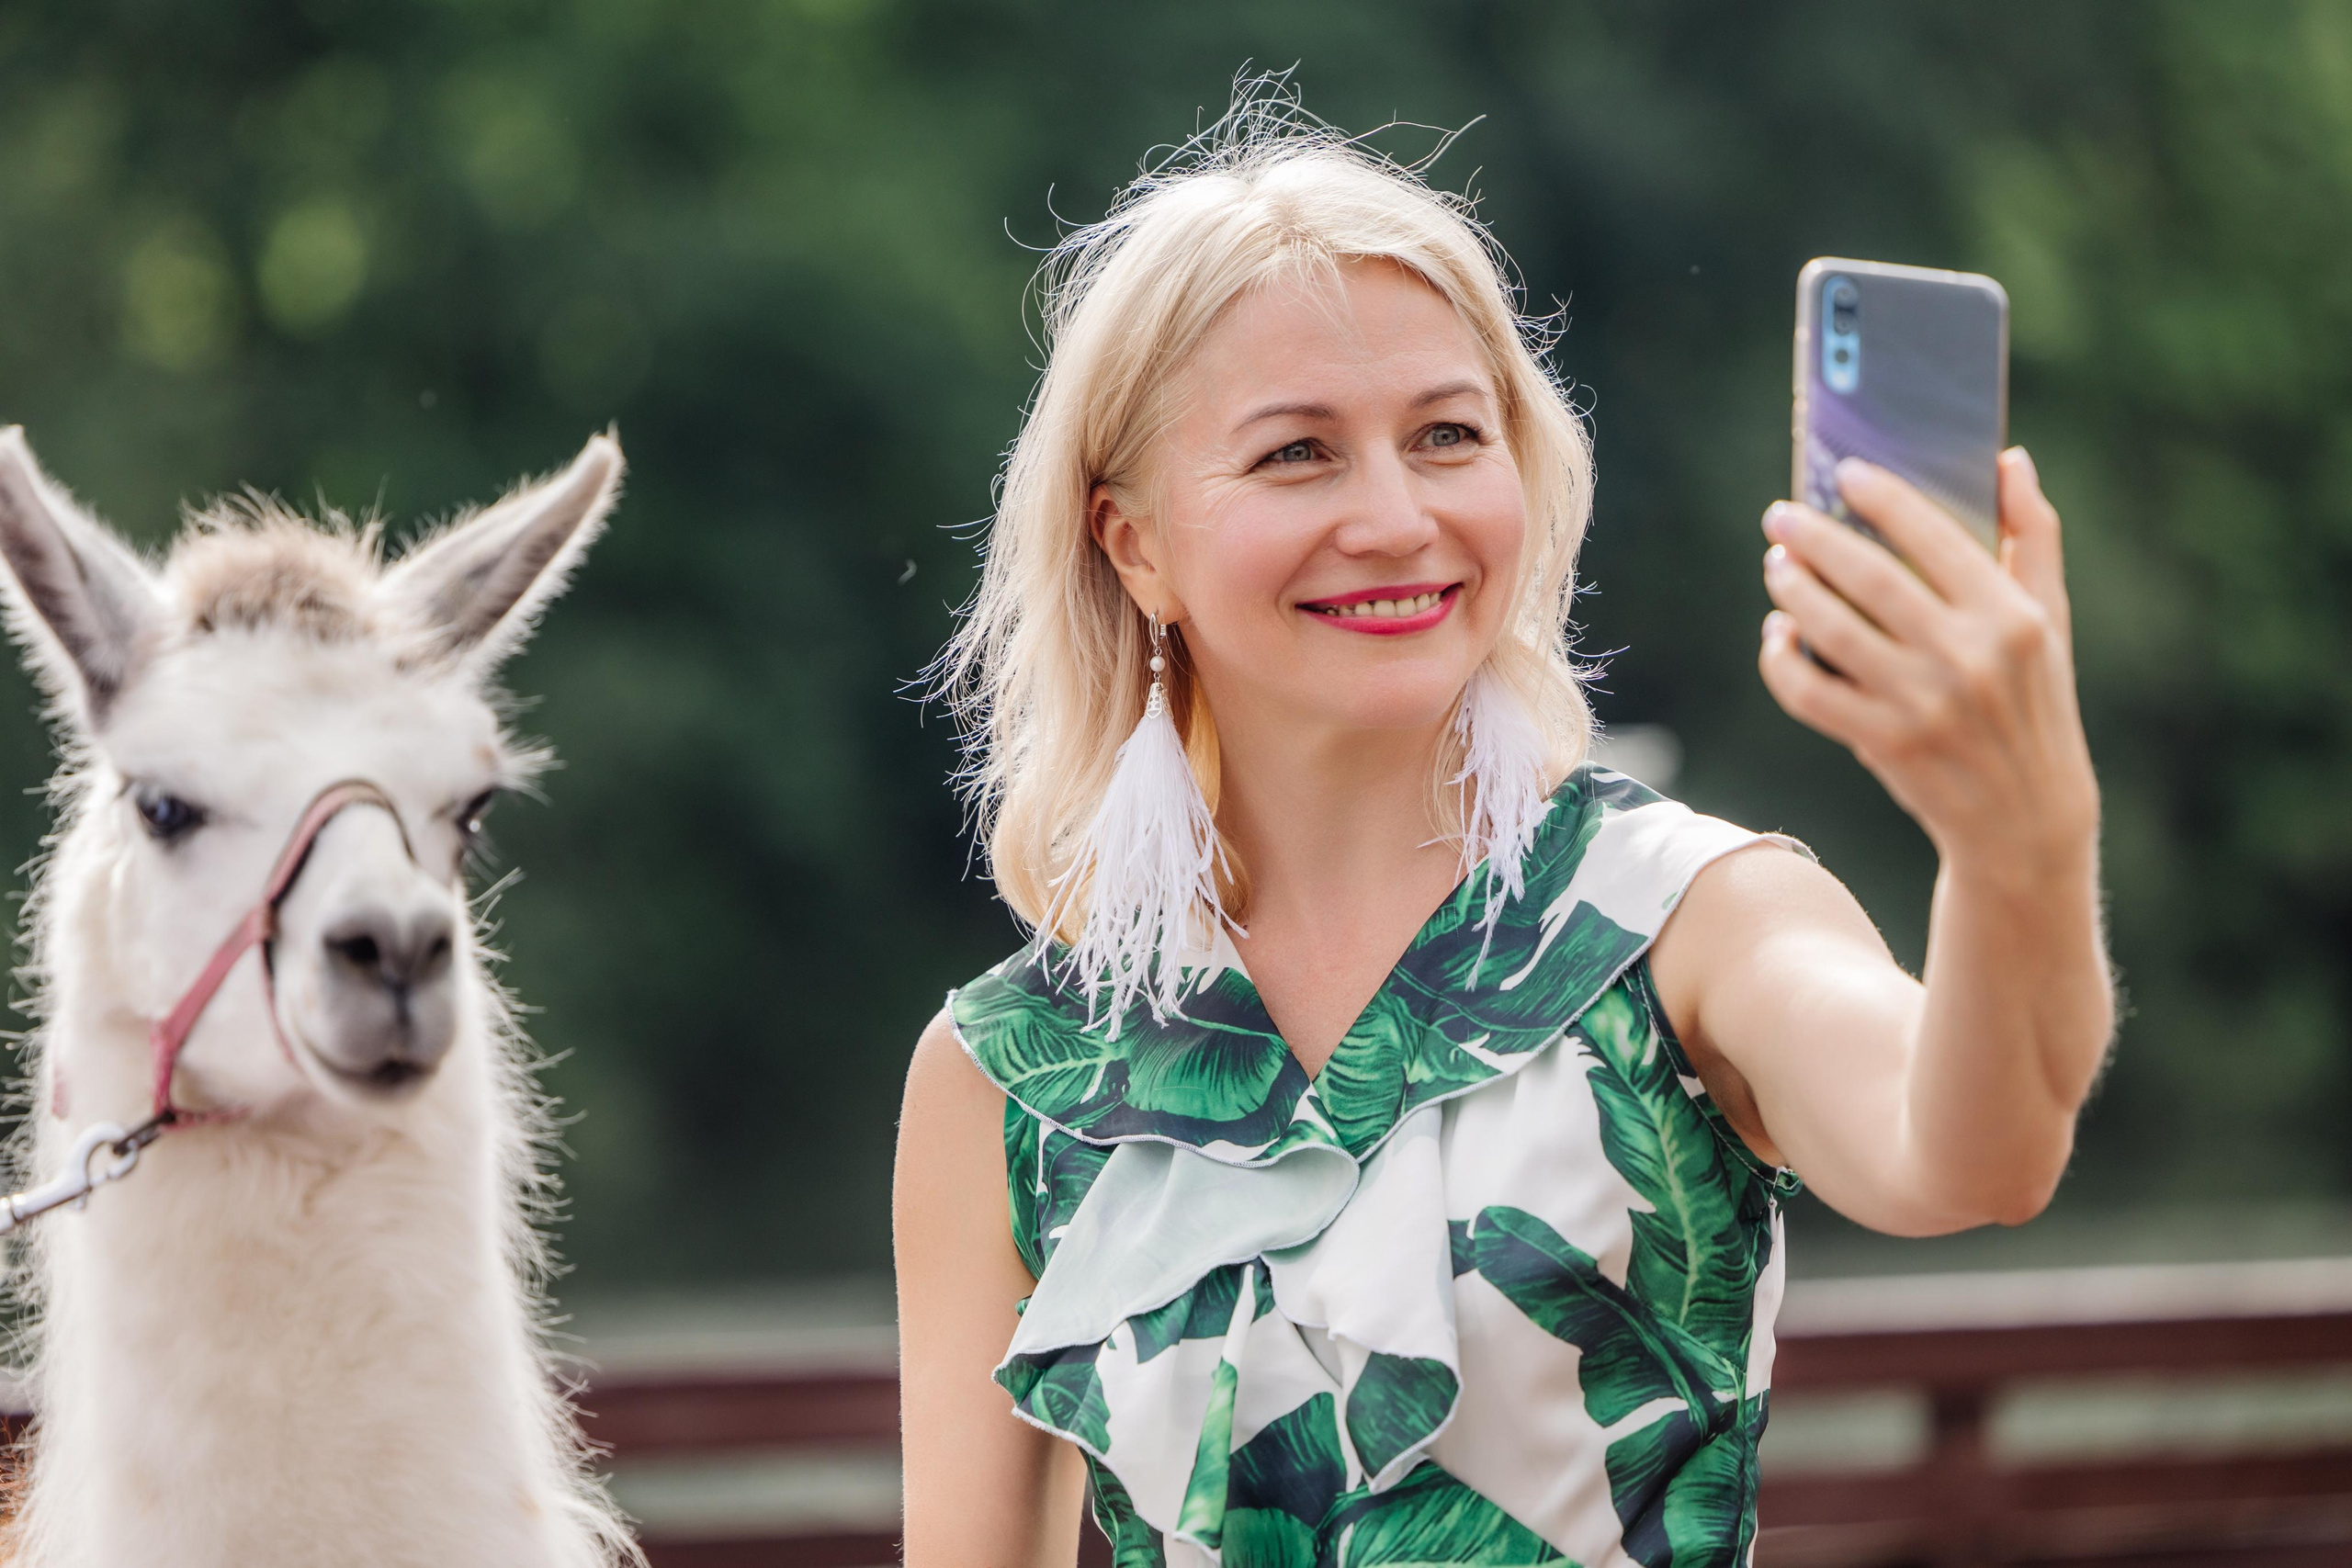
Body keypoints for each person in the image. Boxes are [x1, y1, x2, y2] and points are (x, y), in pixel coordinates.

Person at [896, 107, 2110, 1568]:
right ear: (1132, 542)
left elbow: (1972, 1155)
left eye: (1448, 436)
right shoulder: (1006, 1076)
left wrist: (2019, 833)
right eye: (1297, 455)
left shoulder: (1686, 920)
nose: (1399, 516)